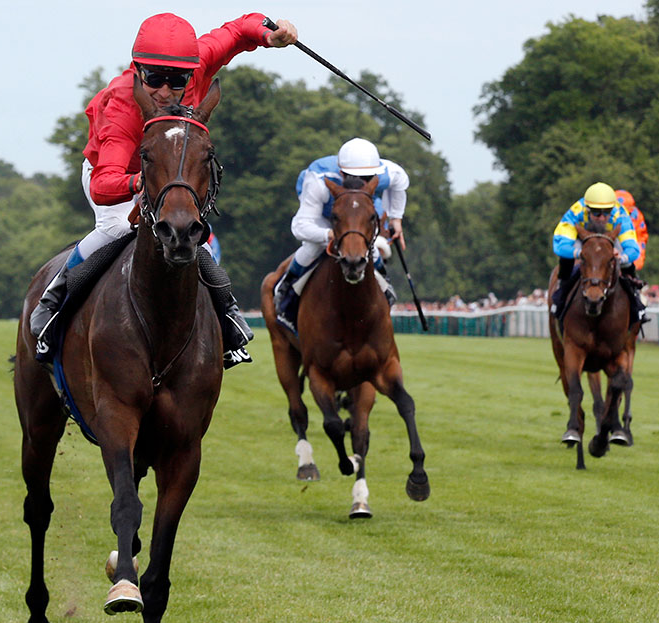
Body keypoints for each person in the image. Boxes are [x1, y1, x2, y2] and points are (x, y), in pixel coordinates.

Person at [29, 12, 298, 368]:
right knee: (117, 228)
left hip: (173, 171)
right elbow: (102, 186)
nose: (166, 92)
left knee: (189, 229)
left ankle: (227, 316)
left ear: (191, 71)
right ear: (138, 71)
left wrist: (270, 34)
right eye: (155, 79)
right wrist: (138, 183)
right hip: (117, 173)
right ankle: (54, 301)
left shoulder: (199, 60)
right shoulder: (123, 105)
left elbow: (236, 30)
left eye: (177, 81)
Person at [273, 137, 409, 333]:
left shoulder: (387, 172)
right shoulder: (318, 180)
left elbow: (401, 182)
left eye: (368, 178)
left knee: (371, 246)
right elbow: (300, 226)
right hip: (324, 209)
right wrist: (333, 234)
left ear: (376, 173)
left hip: (359, 209)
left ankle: (384, 283)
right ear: (341, 172)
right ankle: (286, 288)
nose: (361, 182)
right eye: (354, 177)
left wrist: (396, 219)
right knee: (312, 246)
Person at [550, 182, 643, 323]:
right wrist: (580, 253)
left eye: (606, 213)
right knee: (565, 259)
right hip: (582, 238)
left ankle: (637, 304)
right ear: (587, 210)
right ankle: (560, 298)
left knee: (628, 264)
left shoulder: (620, 215)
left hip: (610, 238)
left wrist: (622, 258)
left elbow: (633, 249)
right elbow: (560, 246)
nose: (602, 218)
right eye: (596, 213)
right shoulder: (575, 212)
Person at [615, 189, 648, 272]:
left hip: (626, 253)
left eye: (628, 213)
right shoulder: (605, 215)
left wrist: (637, 262)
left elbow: (640, 240)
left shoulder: (637, 217)